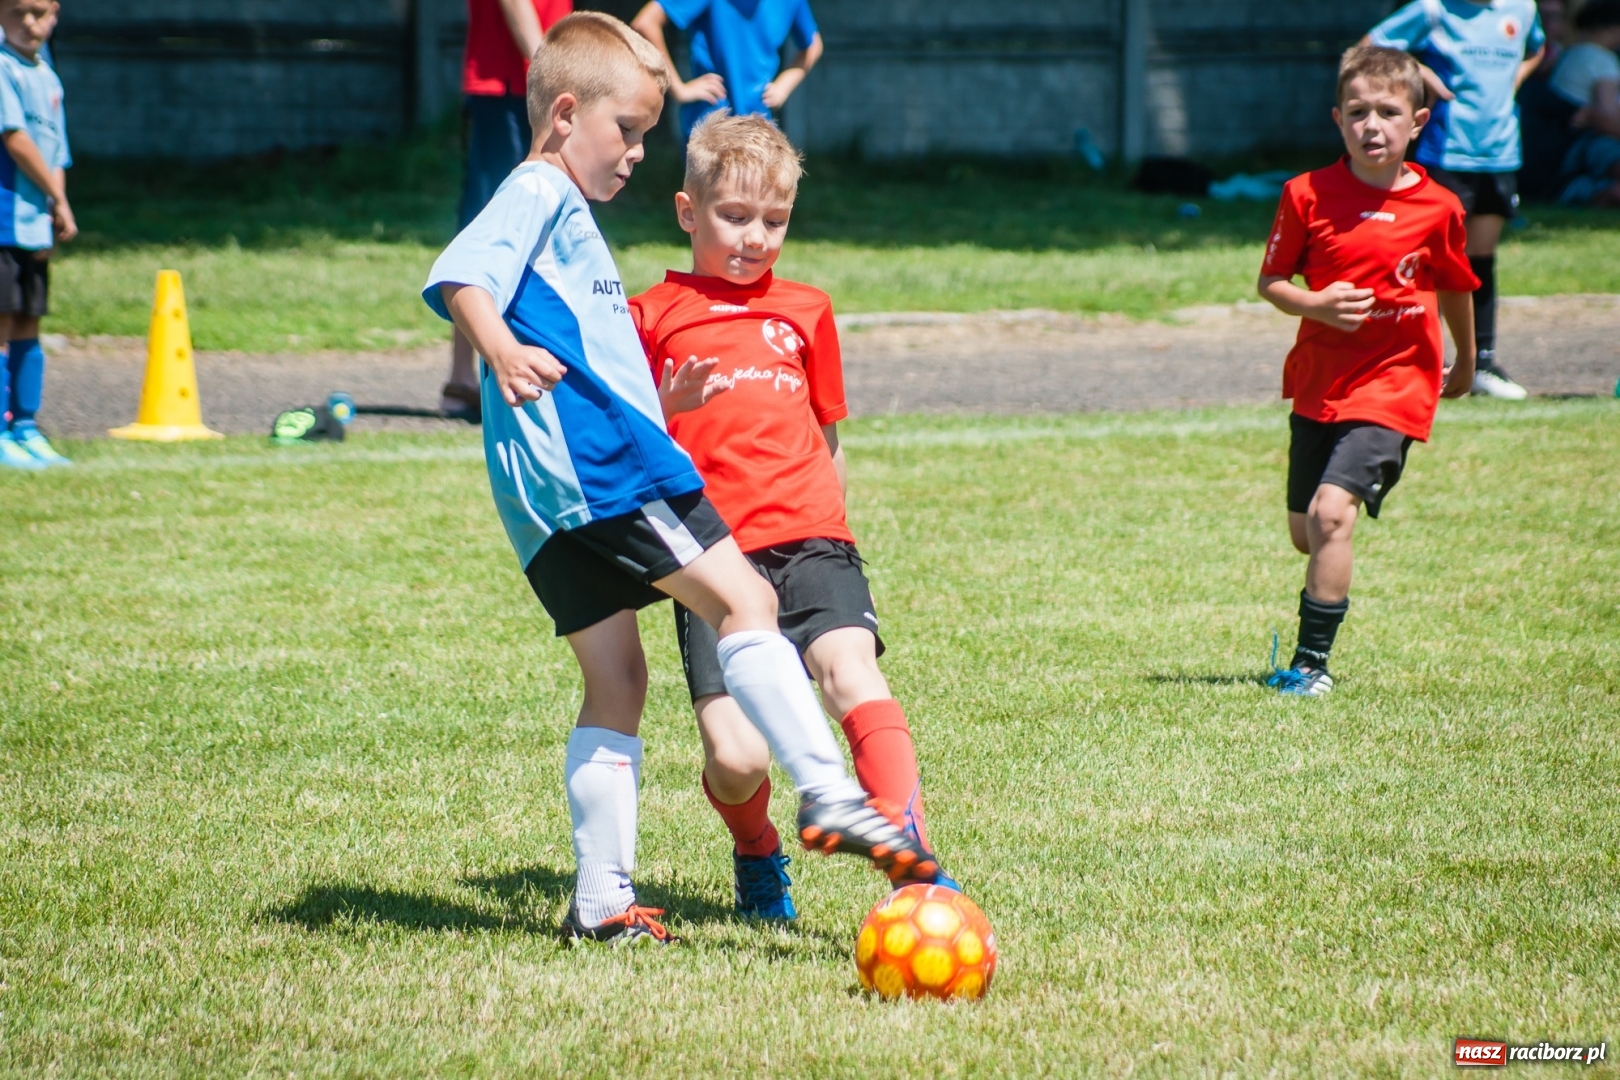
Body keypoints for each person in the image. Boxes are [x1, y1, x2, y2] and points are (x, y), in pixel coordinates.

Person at [420, 12, 934, 946]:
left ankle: (602, 903)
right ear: (567, 112)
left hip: (541, 501)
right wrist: (497, 349)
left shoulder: (558, 206)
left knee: (618, 681)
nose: (637, 153)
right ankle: (827, 792)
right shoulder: (539, 187)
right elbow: (461, 276)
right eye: (630, 131)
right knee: (745, 601)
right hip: (603, 471)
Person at [629, 113, 956, 921]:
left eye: (774, 221)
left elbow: (827, 427)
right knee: (736, 757)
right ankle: (756, 847)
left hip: (813, 540)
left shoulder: (807, 309)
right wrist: (664, 406)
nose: (755, 238)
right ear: (686, 211)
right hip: (715, 561)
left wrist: (837, 525)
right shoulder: (650, 316)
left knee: (853, 673)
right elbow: (625, 445)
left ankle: (913, 865)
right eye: (734, 217)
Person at [1257, 45, 1480, 697]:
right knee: (1306, 533)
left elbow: (1458, 288)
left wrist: (1464, 361)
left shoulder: (1439, 208)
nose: (1371, 125)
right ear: (1337, 119)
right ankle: (1315, 631)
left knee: (1332, 515)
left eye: (1388, 111)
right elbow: (1271, 281)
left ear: (1417, 122)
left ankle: (1311, 666)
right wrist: (1316, 303)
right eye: (1358, 112)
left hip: (1397, 384)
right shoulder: (1305, 193)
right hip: (1319, 383)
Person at [1367, 0, 1544, 400]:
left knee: (1479, 259)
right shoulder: (1432, 10)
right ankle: (1412, 357)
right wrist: (1418, 71)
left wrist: (1512, 80)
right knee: (1429, 260)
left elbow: (1538, 49)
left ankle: (1481, 363)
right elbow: (1369, 48)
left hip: (1499, 152)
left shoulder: (1522, 10)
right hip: (1445, 153)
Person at [439, 0, 573, 425]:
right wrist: (547, 70)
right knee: (488, 230)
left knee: (539, 231)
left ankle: (494, 374)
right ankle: (468, 378)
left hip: (529, 83)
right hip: (512, 86)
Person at [0, 0, 72, 471]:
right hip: (4, 223)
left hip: (33, 223)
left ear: (55, 14)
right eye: (17, 11)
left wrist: (54, 207)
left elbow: (56, 151)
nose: (30, 22)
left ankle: (26, 427)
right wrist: (55, 196)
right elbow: (16, 138)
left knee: (29, 321)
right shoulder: (3, 69)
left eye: (39, 12)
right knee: (2, 325)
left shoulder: (49, 76)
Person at [630, 0, 822, 142]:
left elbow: (813, 46)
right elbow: (646, 22)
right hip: (711, 127)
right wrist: (679, 89)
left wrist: (784, 86)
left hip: (760, 128)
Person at [1545, 0, 1620, 206]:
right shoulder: (1602, 59)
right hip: (1587, 144)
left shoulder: (1568, 55)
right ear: (1612, 28)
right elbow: (1607, 115)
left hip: (1560, 151)